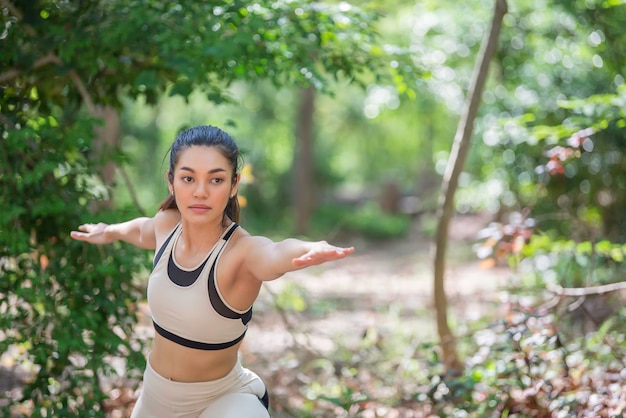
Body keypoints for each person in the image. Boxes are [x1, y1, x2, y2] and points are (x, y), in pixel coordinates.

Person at [70, 125, 355, 418]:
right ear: (171, 182)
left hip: (224, 402)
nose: (200, 192)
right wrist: (109, 231)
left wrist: (306, 248)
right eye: (188, 178)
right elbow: (141, 229)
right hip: (155, 399)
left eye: (216, 179)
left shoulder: (240, 253)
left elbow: (274, 252)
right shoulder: (167, 225)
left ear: (233, 185)